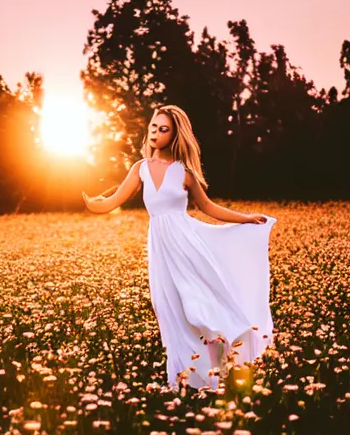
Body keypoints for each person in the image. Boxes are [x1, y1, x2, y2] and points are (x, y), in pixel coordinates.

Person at [82, 104, 275, 389]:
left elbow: (208, 207)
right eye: (153, 127)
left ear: (175, 136)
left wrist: (246, 218)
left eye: (164, 129)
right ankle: (184, 380)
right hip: (161, 252)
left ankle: (220, 372)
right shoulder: (141, 169)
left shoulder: (185, 174)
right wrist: (92, 202)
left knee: (199, 309)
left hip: (188, 247)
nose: (155, 133)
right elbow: (113, 201)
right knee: (169, 310)